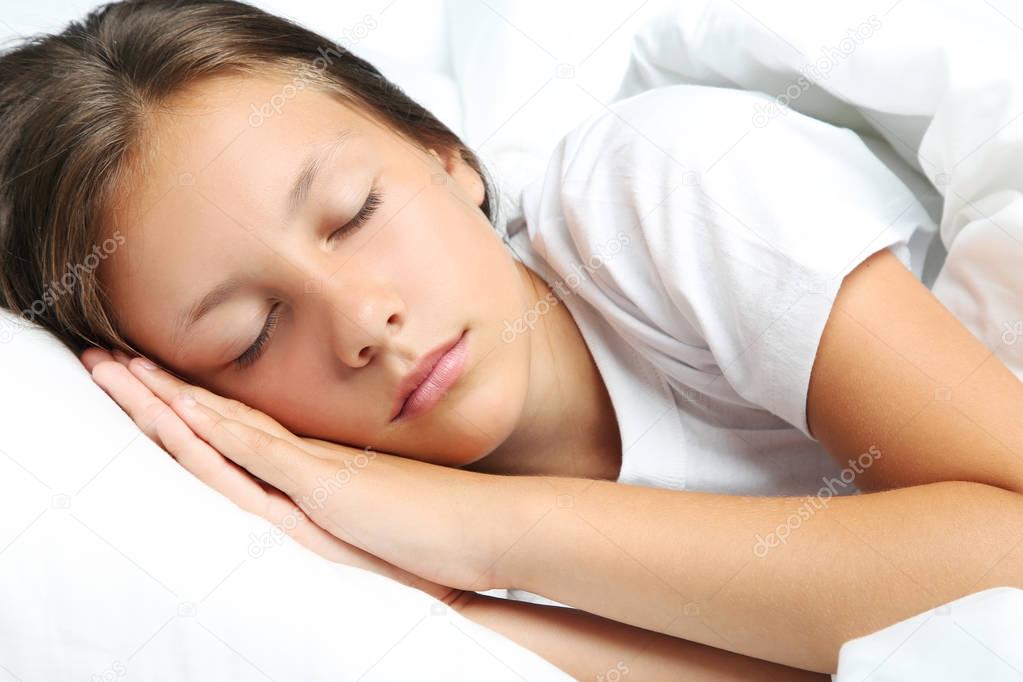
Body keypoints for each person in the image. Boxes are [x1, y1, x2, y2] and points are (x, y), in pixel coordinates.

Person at [2, 1, 1021, 678]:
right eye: (252, 333)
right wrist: (457, 602)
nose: (364, 322)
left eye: (357, 211)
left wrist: (483, 528)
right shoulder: (359, 573)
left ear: (448, 157)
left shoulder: (660, 189)